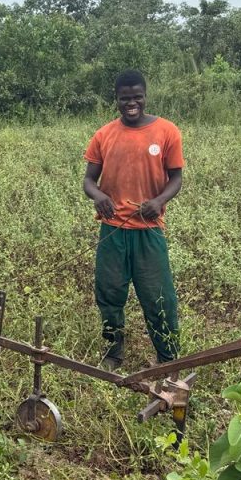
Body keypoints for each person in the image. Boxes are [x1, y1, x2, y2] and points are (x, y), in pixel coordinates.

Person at [82, 69, 184, 372]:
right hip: (112, 229)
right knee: (109, 292)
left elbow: (176, 178)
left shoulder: (167, 132)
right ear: (116, 99)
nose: (131, 103)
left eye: (137, 97)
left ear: (145, 96)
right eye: (125, 99)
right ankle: (113, 352)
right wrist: (98, 196)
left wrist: (159, 200)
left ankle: (168, 359)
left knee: (159, 296)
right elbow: (88, 180)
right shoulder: (104, 134)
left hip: (149, 230)